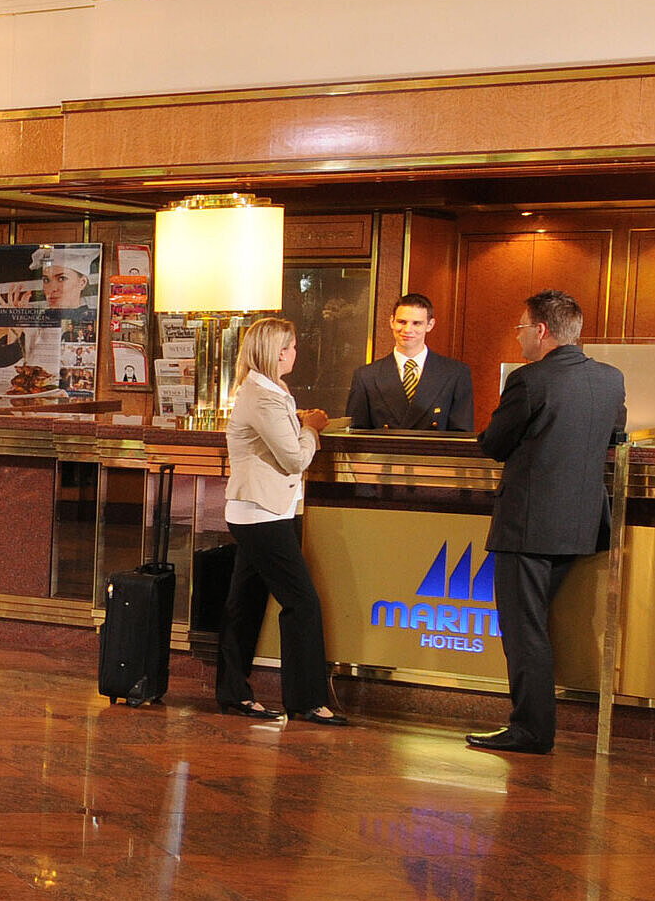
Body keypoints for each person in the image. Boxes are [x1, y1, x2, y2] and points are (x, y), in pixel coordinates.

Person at [468, 289, 628, 755]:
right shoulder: (610, 378)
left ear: (541, 330)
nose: (518, 337)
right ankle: (533, 727)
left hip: (528, 525)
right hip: (581, 523)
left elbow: (495, 443)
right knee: (534, 625)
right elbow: (614, 434)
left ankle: (531, 731)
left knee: (524, 629)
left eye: (521, 328)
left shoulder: (529, 380)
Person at [215, 318, 353, 727]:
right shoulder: (262, 395)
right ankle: (307, 700)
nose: (296, 352)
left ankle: (234, 694)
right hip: (262, 516)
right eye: (292, 345)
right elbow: (294, 457)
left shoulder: (271, 391)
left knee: (246, 603)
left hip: (265, 511)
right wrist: (312, 429)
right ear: (278, 351)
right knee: (302, 603)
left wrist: (299, 421)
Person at [345, 292, 472, 431]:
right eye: (402, 322)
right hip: (384, 453)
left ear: (430, 325)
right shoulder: (366, 376)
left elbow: (461, 436)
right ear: (392, 322)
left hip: (433, 452)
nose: (407, 329)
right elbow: (357, 436)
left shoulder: (455, 373)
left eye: (417, 323)